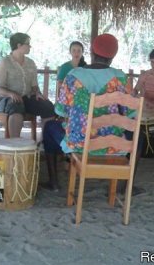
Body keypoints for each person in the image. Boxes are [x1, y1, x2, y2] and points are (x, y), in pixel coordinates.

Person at [42, 33, 135, 191]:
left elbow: (61, 110)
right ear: (112, 57)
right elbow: (131, 113)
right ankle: (127, 188)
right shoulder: (121, 78)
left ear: (91, 53)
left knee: (50, 127)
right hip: (114, 145)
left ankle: (54, 183)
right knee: (138, 135)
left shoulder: (73, 75)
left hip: (80, 144)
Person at [0, 32, 55, 138]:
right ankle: (15, 144)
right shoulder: (4, 63)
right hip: (7, 99)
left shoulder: (31, 63)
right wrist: (11, 94)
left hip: (27, 98)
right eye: (27, 44)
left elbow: (34, 85)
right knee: (16, 105)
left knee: (48, 106)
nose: (30, 46)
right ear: (19, 45)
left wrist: (37, 93)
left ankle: (46, 141)